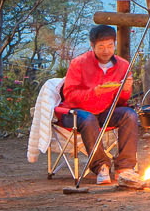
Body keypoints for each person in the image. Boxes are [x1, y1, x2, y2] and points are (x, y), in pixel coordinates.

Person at [59, 23, 142, 187]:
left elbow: (122, 101)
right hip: (76, 112)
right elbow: (70, 95)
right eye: (101, 46)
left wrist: (125, 90)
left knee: (129, 115)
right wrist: (94, 92)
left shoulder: (123, 65)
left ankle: (124, 168)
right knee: (89, 119)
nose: (106, 50)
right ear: (92, 46)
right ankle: (101, 166)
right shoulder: (79, 63)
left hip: (105, 111)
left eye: (110, 46)